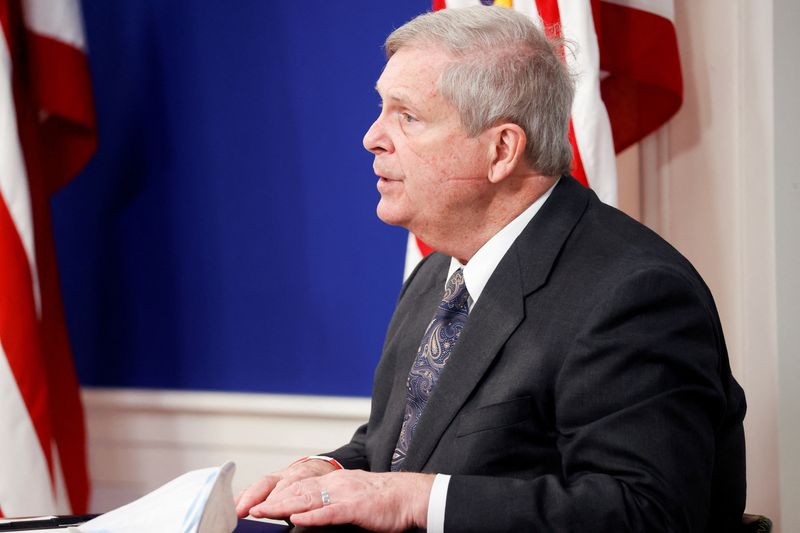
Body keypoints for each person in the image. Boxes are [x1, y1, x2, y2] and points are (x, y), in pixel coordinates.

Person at [236, 6, 747, 532]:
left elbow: (646, 513)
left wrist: (413, 500)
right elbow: (401, 444)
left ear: (501, 150)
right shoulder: (438, 275)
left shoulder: (634, 295)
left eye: (407, 116)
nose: (372, 136)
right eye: (381, 109)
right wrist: (332, 469)